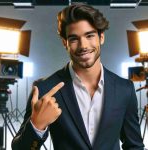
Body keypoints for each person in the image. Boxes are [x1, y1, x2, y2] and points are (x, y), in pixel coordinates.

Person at [12, 3, 144, 150]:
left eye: (89, 35)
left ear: (101, 37)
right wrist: (36, 126)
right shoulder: (45, 89)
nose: (83, 46)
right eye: (74, 39)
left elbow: (134, 146)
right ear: (65, 43)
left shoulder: (124, 89)